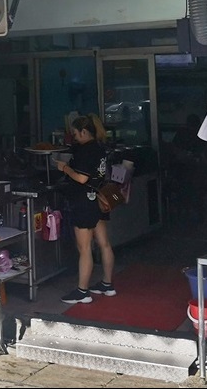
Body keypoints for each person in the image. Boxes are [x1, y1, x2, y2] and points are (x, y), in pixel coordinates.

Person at [55, 113, 116, 304]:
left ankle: (83, 291)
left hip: (83, 201)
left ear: (83, 131)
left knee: (85, 248)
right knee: (104, 244)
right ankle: (107, 284)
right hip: (98, 198)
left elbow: (81, 178)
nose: (74, 137)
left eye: (75, 133)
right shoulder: (100, 148)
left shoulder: (85, 151)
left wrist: (64, 168)